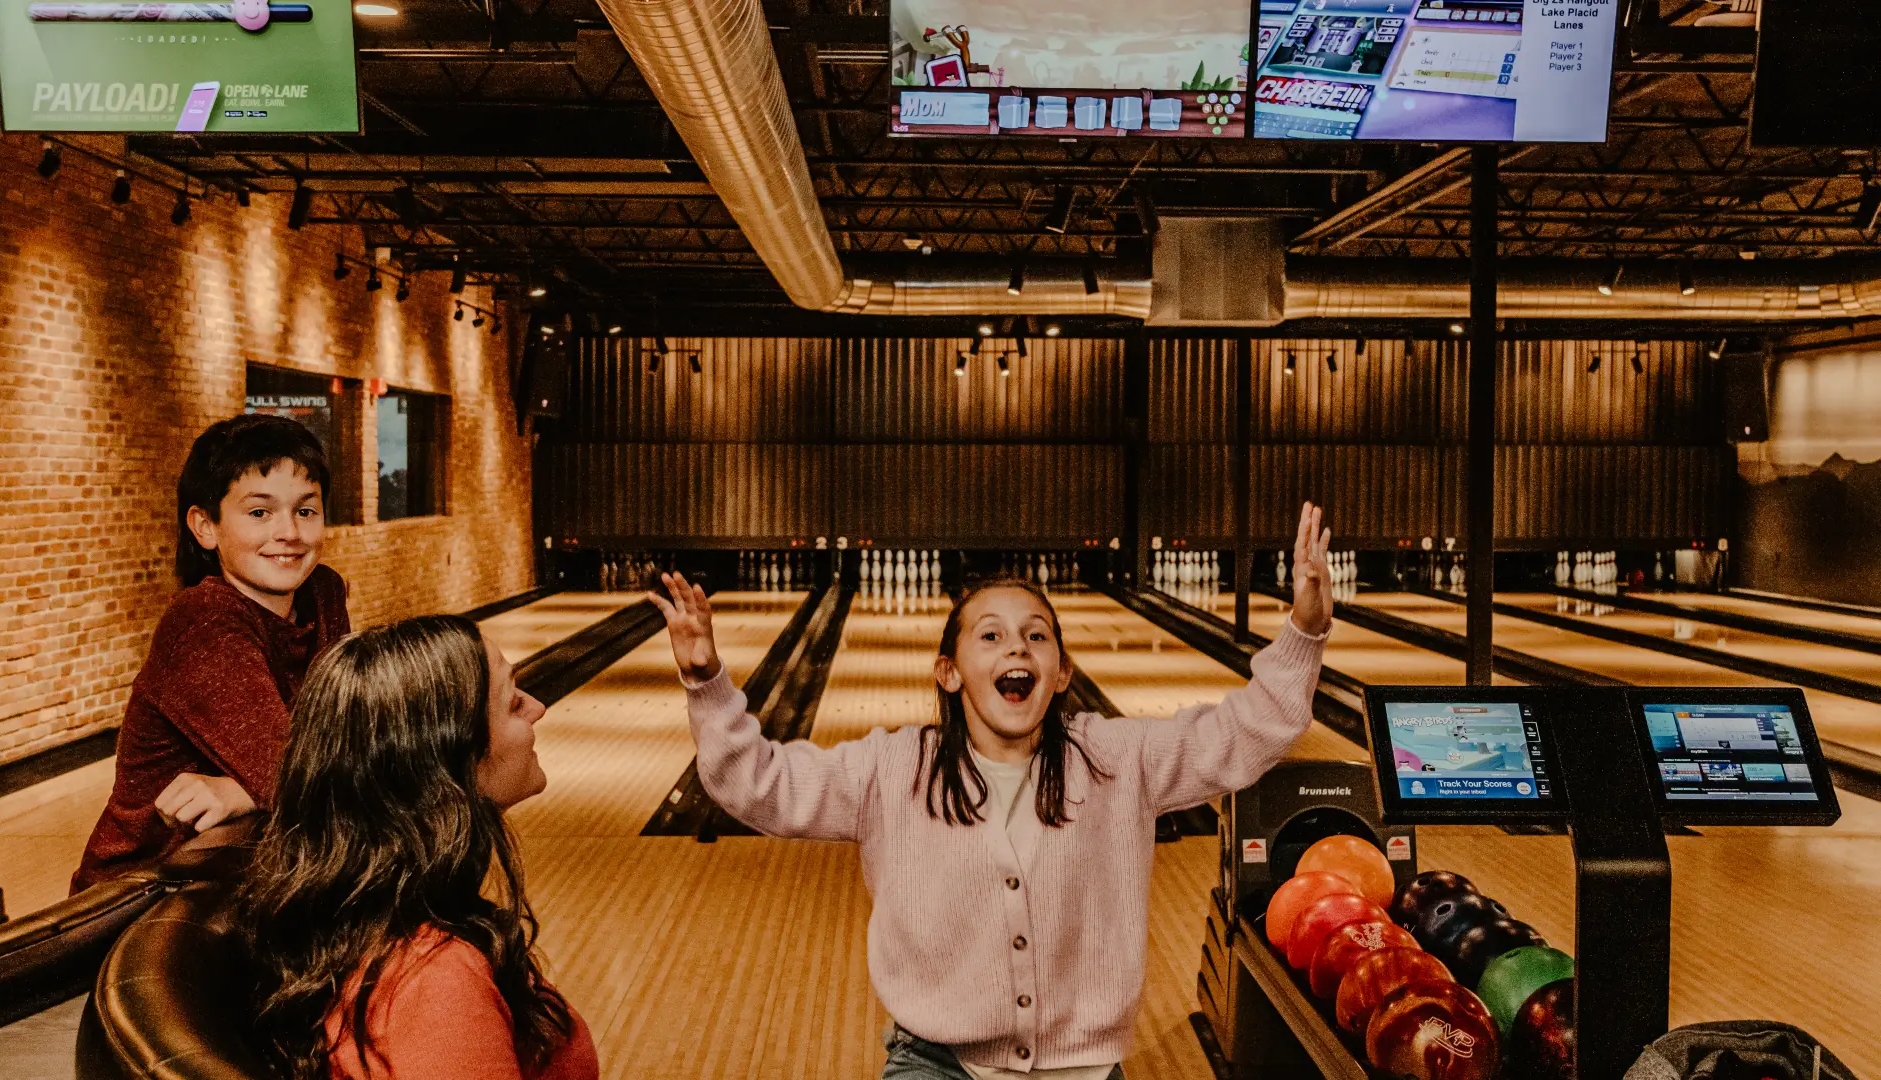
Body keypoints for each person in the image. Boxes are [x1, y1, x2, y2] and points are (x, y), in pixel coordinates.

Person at [651, 504, 1336, 1080]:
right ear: (949, 673)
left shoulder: (1118, 759)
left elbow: (1245, 733)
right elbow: (759, 783)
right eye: (992, 635)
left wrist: (1304, 630)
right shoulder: (894, 770)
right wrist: (707, 680)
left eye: (1036, 636)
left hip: (1087, 1068)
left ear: (1062, 672)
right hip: (937, 1061)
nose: (1018, 648)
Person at [238, 615, 595, 1080]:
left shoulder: (380, 924)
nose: (539, 708)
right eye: (512, 703)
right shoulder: (433, 980)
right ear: (445, 758)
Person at [73, 414, 351, 892]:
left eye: (306, 510)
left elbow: (349, 733)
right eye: (260, 513)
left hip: (246, 873)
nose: (289, 532)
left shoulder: (321, 593)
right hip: (143, 904)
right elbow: (306, 776)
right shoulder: (204, 622)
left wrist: (247, 790)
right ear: (205, 526)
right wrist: (268, 783)